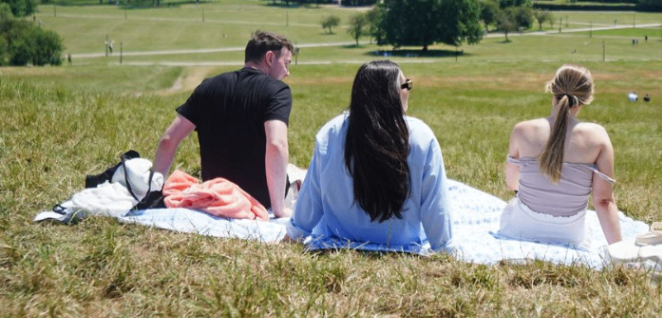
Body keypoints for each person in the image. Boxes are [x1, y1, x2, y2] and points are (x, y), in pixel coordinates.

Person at [287, 60, 453, 252]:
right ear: (392, 93)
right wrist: (444, 249)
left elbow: (311, 196)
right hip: (400, 241)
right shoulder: (421, 136)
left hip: (342, 236)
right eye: (406, 84)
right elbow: (435, 206)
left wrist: (294, 234)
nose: (408, 90)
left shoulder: (331, 132)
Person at [152, 30, 295, 217]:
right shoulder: (278, 91)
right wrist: (278, 210)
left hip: (216, 194)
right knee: (299, 180)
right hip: (260, 199)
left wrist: (153, 191)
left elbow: (168, 140)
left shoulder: (208, 86)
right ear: (269, 58)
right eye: (285, 64)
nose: (287, 72)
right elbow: (276, 145)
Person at [500, 64, 621, 247]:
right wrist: (621, 252)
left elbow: (512, 184)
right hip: (570, 235)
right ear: (585, 99)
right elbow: (603, 201)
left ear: (552, 90)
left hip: (521, 229)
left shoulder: (522, 130)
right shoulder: (598, 137)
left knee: (510, 208)